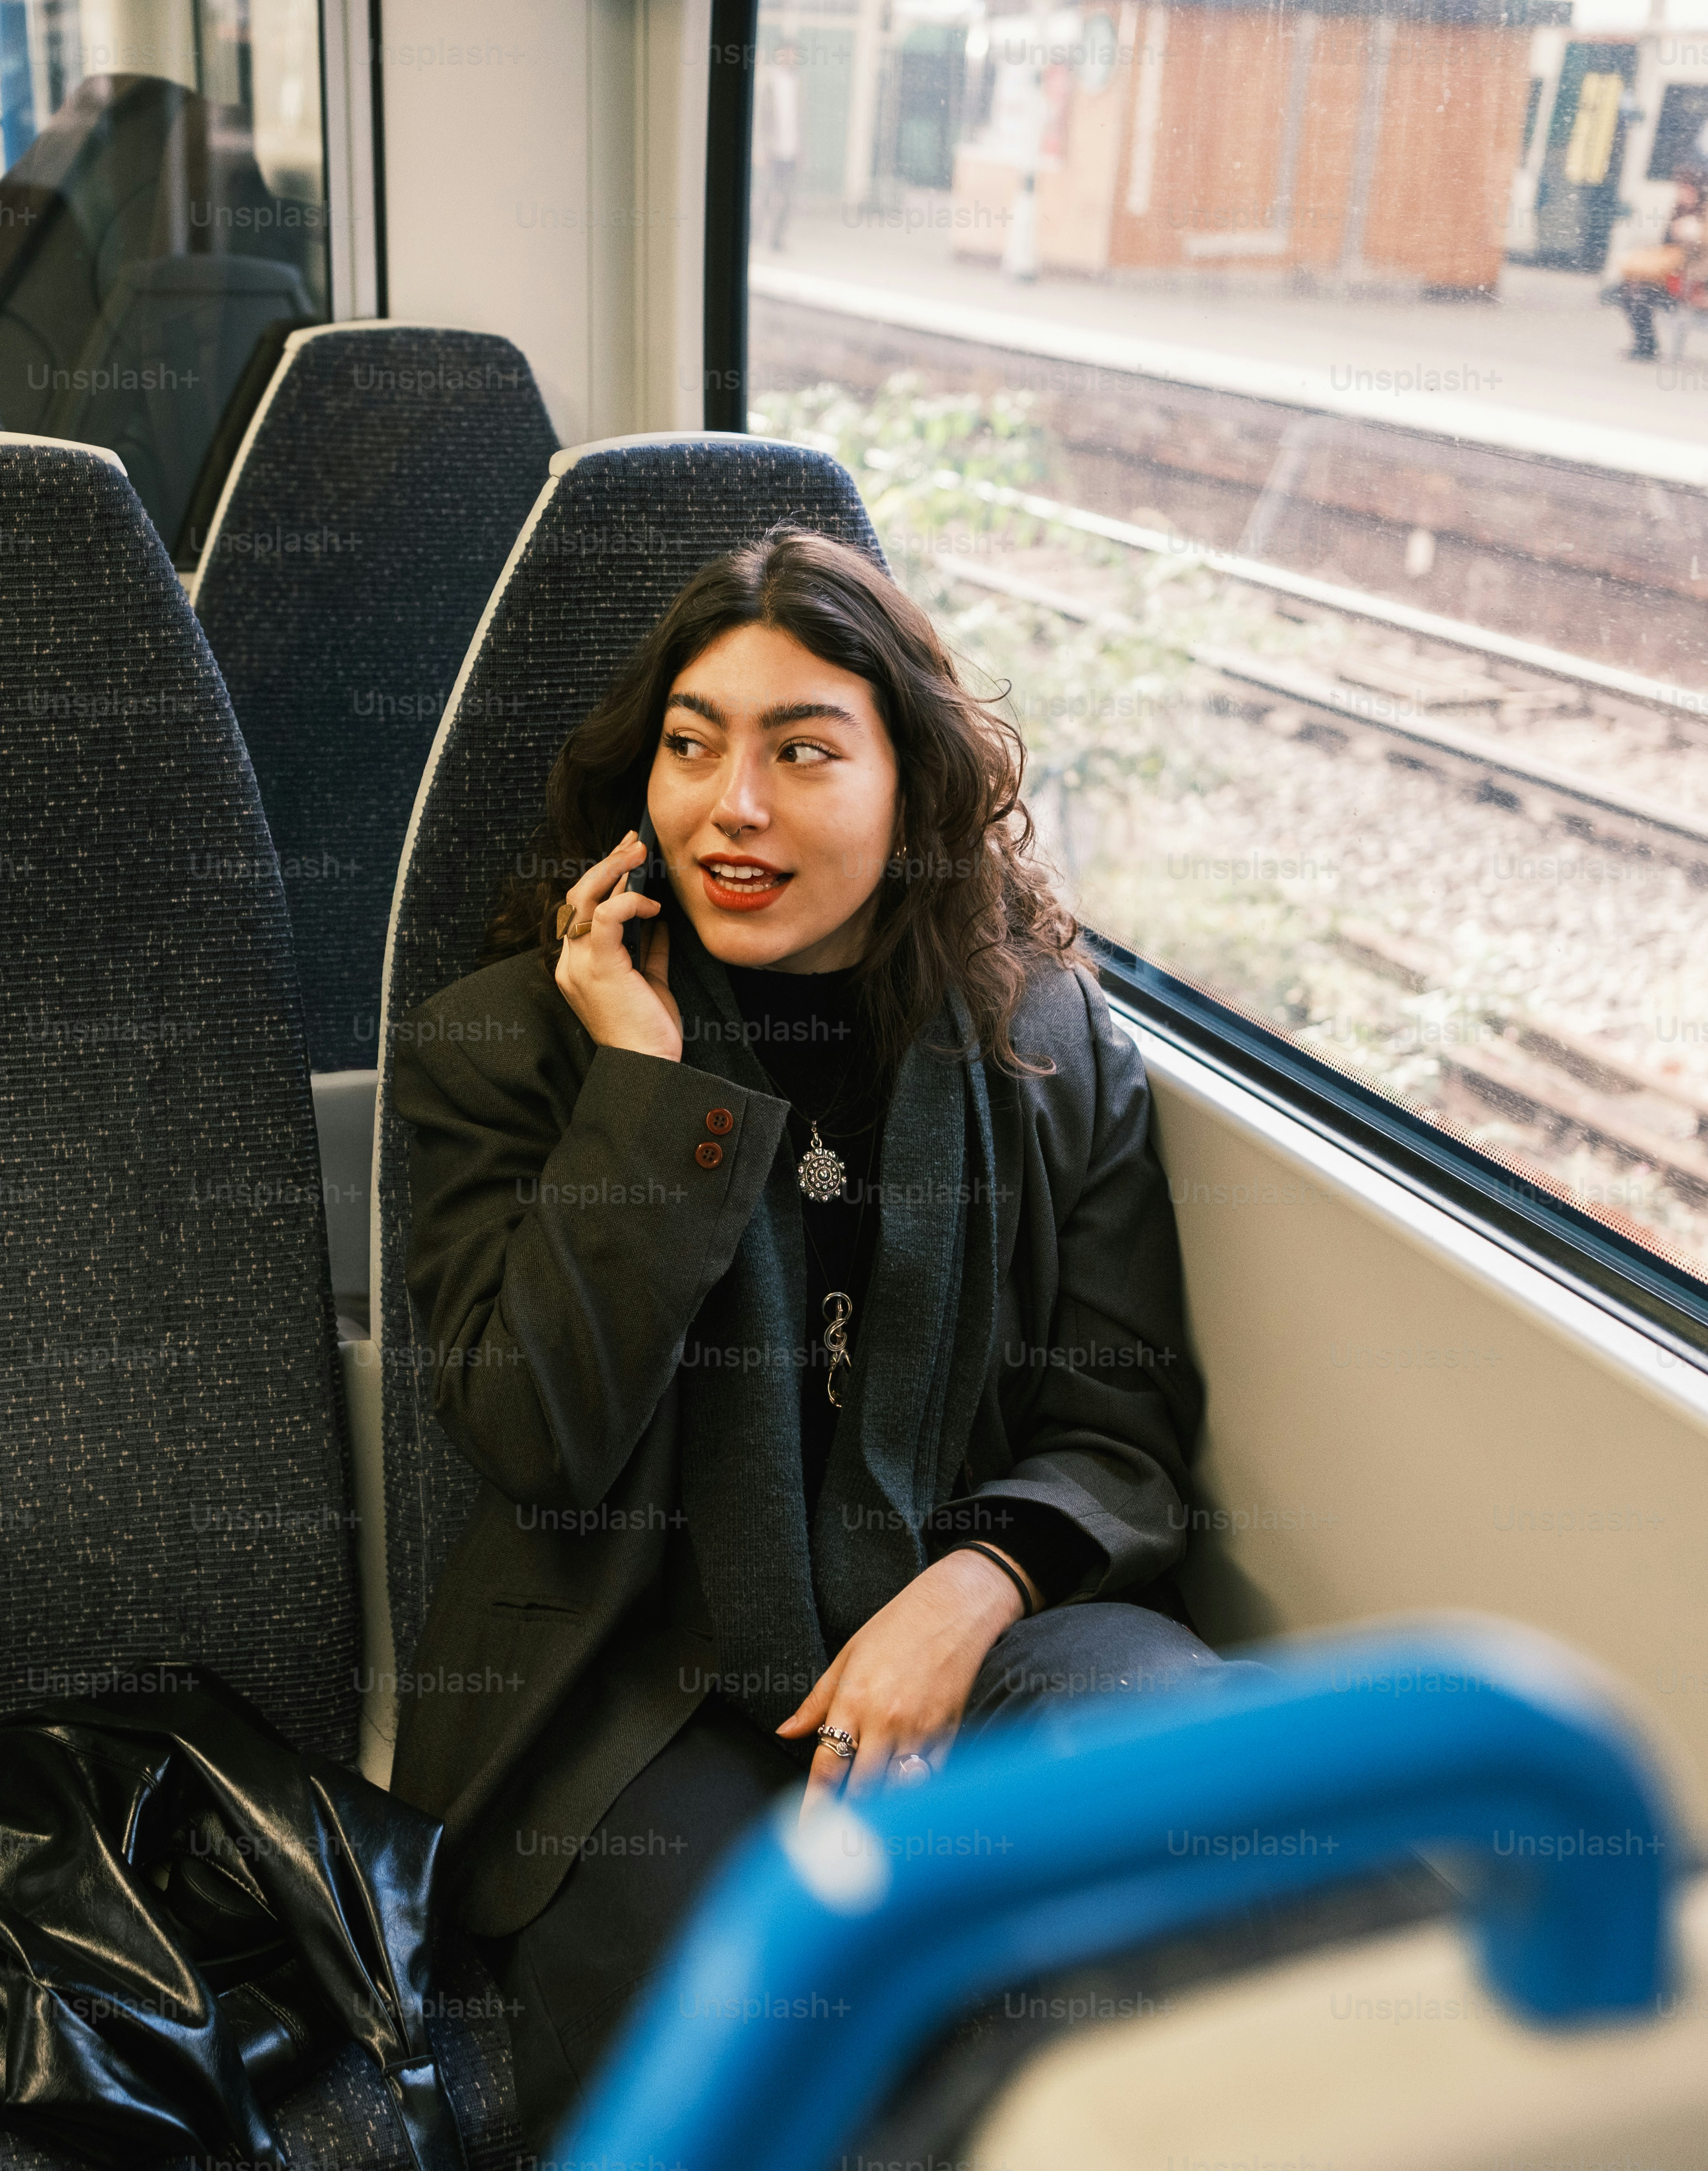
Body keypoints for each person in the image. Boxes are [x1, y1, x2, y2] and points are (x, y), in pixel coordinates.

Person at [384, 531, 1244, 2151]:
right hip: (645, 1669)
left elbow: (1118, 1431)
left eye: (801, 752)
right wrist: (645, 1097)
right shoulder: (508, 1047)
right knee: (753, 2048)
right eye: (692, 745)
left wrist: (967, 1587)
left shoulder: (1044, 1040)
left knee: (1195, 1845)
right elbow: (534, 1439)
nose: (734, 806)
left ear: (910, 789)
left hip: (989, 1623)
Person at [1614, 166, 1708, 362]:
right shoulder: (1678, 210)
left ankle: (1647, 345)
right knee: (1628, 291)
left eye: (1687, 189)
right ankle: (1645, 343)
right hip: (1668, 277)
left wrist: (1693, 239)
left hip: (1688, 282)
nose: (1682, 194)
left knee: (1639, 295)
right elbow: (1667, 246)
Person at [757, 41, 801, 251]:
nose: (789, 59)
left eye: (792, 55)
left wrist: (801, 150)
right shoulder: (770, 82)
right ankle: (754, 234)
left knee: (787, 198)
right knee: (766, 195)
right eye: (785, 54)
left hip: (791, 150)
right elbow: (762, 118)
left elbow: (801, 119)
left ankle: (777, 239)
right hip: (773, 150)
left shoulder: (798, 83)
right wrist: (763, 149)